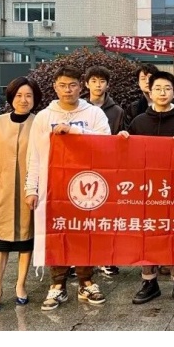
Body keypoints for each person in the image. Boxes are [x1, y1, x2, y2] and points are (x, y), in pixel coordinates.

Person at [25, 66, 111, 311]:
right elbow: (34, 155)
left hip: (87, 184)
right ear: (55, 87)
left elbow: (106, 143)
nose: (68, 90)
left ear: (81, 87)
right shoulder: (44, 117)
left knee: (85, 233)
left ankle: (86, 282)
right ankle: (57, 284)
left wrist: (75, 130)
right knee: (57, 233)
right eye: (62, 85)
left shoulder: (93, 113)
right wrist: (31, 188)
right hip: (53, 185)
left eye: (73, 85)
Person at [121, 71, 174, 306]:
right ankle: (149, 282)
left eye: (167, 88)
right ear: (150, 92)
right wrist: (122, 140)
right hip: (147, 191)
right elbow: (126, 158)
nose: (162, 93)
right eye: (158, 88)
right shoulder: (138, 122)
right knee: (147, 235)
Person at [0, 76, 42, 312]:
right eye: (18, 95)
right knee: (1, 242)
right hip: (1, 188)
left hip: (30, 191)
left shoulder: (39, 123)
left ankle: (20, 285)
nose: (23, 100)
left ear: (35, 99)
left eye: (28, 96)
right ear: (11, 98)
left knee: (26, 240)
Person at [84, 65, 124, 277]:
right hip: (81, 169)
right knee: (83, 216)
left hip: (107, 169)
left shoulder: (117, 112)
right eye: (94, 81)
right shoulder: (79, 108)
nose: (98, 85)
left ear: (108, 85)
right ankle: (80, 260)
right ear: (86, 84)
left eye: (102, 81)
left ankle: (107, 259)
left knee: (106, 216)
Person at [122, 63, 159, 129]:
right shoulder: (133, 109)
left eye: (150, 78)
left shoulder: (171, 106)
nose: (147, 81)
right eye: (143, 78)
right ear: (138, 83)